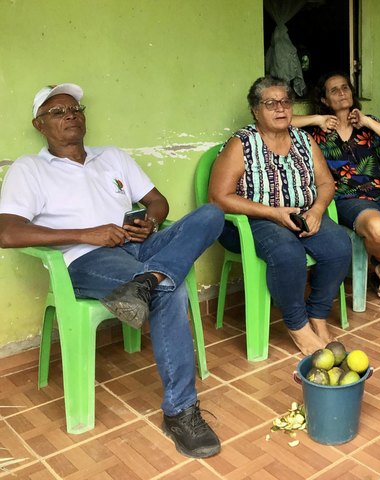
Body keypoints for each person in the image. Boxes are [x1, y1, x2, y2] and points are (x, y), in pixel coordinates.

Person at [0, 83, 225, 458]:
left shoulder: (113, 157)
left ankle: (148, 280)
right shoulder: (30, 169)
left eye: (75, 108)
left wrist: (149, 223)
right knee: (173, 290)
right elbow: (7, 232)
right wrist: (87, 233)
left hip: (139, 247)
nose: (70, 114)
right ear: (40, 125)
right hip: (86, 259)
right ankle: (180, 412)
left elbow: (157, 202)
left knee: (212, 214)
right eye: (57, 112)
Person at [209, 76, 351, 355]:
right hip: (252, 222)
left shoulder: (303, 139)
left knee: (339, 245)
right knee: (287, 252)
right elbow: (219, 197)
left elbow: (326, 183)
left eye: (285, 102)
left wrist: (318, 210)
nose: (281, 109)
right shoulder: (242, 144)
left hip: (300, 215)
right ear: (255, 110)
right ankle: (298, 325)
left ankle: (318, 315)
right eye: (270, 103)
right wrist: (273, 213)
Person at [295, 72, 380, 303]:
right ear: (325, 100)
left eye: (345, 88)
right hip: (345, 196)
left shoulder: (369, 123)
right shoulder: (316, 131)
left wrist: (367, 121)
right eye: (334, 90)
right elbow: (279, 121)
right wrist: (316, 119)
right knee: (379, 229)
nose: (342, 92)